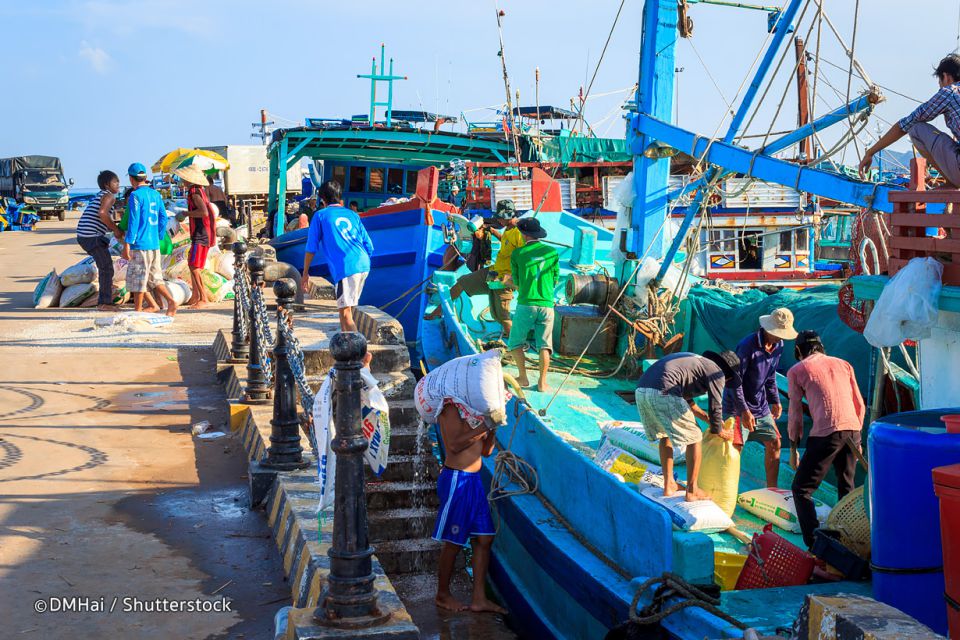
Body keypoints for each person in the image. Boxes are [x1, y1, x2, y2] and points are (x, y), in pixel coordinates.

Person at [788, 330, 865, 549]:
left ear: (798, 350)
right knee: (846, 487)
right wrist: (856, 438)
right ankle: (848, 541)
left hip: (827, 432)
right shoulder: (844, 364)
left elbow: (794, 415)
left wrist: (794, 447)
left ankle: (815, 545)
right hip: (852, 429)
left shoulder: (797, 370)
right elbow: (859, 403)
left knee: (802, 489)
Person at [636, 351, 741, 501]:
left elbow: (688, 401)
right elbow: (715, 406)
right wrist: (718, 430)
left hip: (642, 390)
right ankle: (692, 491)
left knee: (665, 434)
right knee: (695, 437)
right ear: (728, 374)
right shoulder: (717, 372)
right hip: (665, 392)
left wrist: (709, 420)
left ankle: (669, 484)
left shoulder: (696, 363)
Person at [432, 402, 506, 614]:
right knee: (454, 541)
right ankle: (442, 594)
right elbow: (455, 445)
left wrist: (493, 427)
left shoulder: (476, 408)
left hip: (473, 479)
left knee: (484, 538)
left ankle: (479, 599)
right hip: (457, 477)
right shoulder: (450, 407)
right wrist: (485, 425)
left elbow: (486, 451)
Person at [723, 307, 797, 489]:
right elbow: (735, 381)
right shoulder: (747, 346)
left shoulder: (778, 346)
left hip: (760, 404)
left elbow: (771, 376)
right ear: (767, 329)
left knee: (774, 443)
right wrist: (744, 411)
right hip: (737, 405)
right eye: (777, 334)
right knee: (736, 448)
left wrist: (775, 400)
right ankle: (728, 489)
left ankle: (771, 489)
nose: (780, 338)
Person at [860, 54, 960, 186]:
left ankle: (951, 182)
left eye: (940, 83)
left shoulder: (950, 92)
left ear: (946, 77)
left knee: (916, 129)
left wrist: (870, 152)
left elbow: (906, 124)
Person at [300, 181, 374, 333]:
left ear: (322, 199)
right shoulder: (353, 215)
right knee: (345, 309)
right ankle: (346, 345)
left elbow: (311, 247)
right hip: (363, 263)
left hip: (346, 267)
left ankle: (361, 351)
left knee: (346, 314)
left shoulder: (320, 215)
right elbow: (370, 246)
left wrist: (305, 272)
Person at [507, 217, 558, 392]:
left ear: (523, 234)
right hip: (547, 305)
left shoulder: (517, 254)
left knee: (515, 342)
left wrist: (505, 282)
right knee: (544, 345)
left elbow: (517, 282)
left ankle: (523, 377)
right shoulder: (552, 252)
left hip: (526, 304)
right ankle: (543, 383)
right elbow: (555, 279)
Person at [122, 163, 177, 316]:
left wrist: (127, 243)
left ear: (132, 179)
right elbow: (164, 217)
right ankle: (170, 302)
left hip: (140, 244)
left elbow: (133, 222)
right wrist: (158, 236)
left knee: (138, 280)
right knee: (155, 278)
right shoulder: (155, 194)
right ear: (145, 178)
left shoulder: (135, 196)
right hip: (154, 244)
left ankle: (137, 312)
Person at [76, 170, 124, 311]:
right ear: (106, 185)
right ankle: (104, 303)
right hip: (91, 236)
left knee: (105, 266)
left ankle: (105, 298)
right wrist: (115, 229)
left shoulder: (101, 195)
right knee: (106, 268)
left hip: (85, 235)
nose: (118, 185)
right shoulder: (109, 196)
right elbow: (102, 214)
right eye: (115, 182)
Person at [180, 168, 216, 308]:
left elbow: (203, 212)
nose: (181, 180)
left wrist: (185, 213)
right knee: (191, 263)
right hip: (201, 232)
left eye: (183, 178)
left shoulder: (195, 193)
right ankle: (195, 295)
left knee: (195, 266)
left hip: (201, 233)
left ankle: (203, 298)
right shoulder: (198, 190)